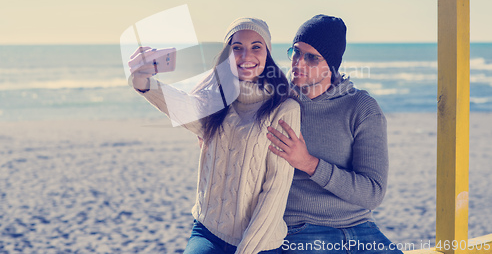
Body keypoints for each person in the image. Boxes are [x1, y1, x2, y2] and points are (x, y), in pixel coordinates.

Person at [129, 18, 301, 254]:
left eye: (256, 47)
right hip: (208, 230)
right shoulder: (216, 97)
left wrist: (245, 250)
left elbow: (275, 190)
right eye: (237, 47)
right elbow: (183, 106)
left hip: (260, 243)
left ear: (267, 54)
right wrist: (142, 82)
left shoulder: (285, 108)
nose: (245, 55)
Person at [266, 15, 403, 254]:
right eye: (296, 52)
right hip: (303, 229)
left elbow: (373, 192)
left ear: (331, 65)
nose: (298, 63)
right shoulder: (278, 101)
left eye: (311, 57)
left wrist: (310, 164)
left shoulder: (361, 107)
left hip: (361, 228)